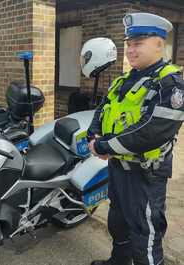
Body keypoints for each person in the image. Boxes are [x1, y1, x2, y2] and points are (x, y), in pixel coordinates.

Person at [83, 13, 184, 265]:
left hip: (145, 176)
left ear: (159, 44)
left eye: (138, 42)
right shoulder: (122, 81)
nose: (130, 49)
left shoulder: (170, 83)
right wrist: (93, 136)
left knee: (144, 235)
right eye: (128, 43)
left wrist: (104, 146)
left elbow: (151, 131)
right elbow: (102, 111)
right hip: (118, 169)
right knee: (118, 223)